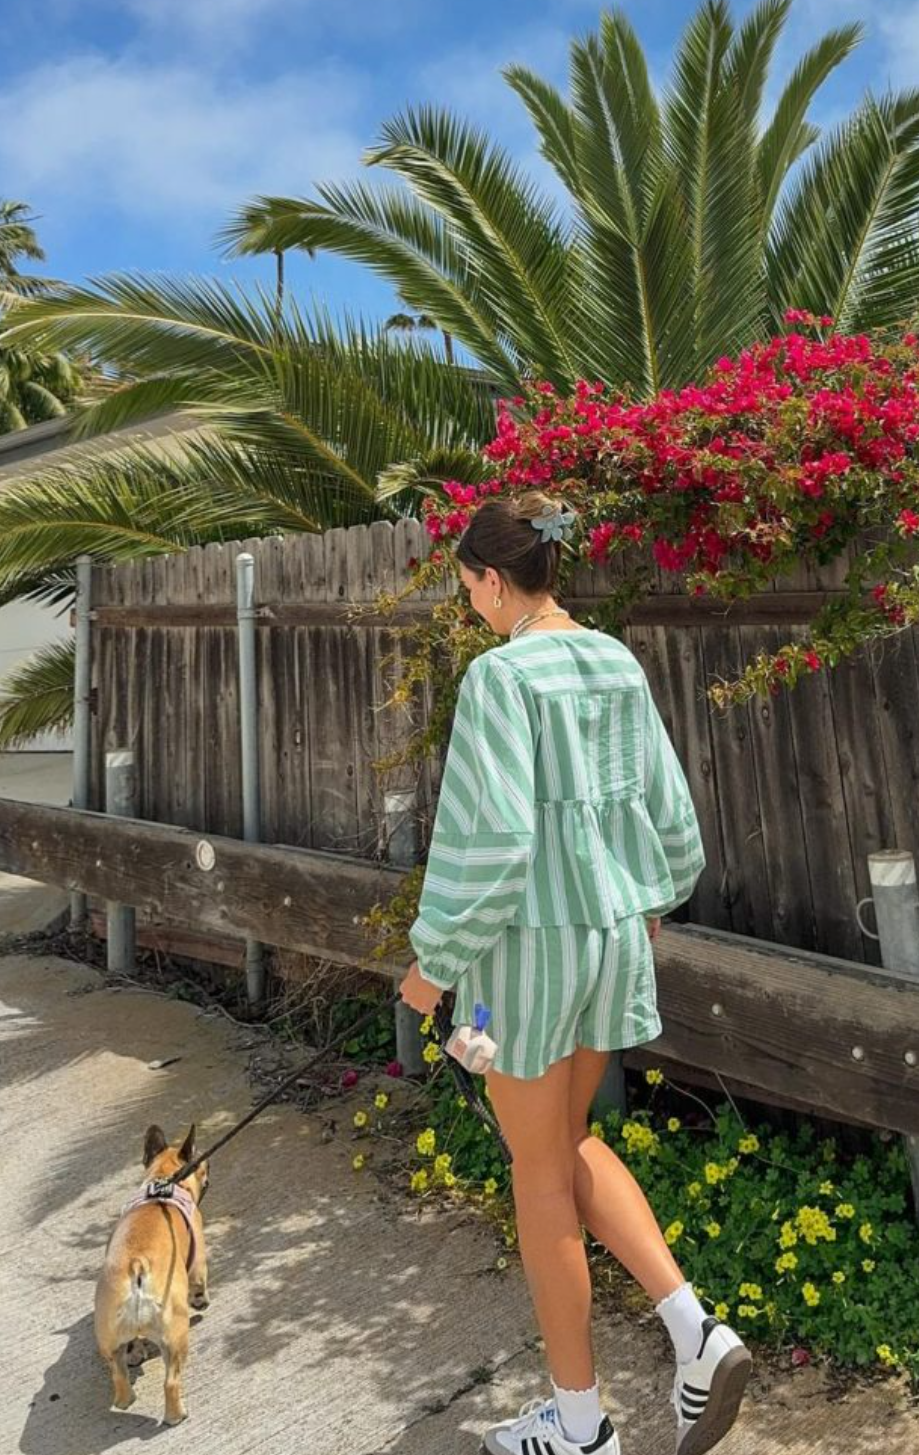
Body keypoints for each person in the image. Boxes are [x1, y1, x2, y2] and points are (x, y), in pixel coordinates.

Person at [400, 492, 750, 1455]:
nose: (469, 602)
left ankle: (579, 1421)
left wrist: (433, 966)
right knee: (562, 1143)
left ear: (492, 580)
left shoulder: (500, 679)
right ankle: (696, 1334)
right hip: (611, 936)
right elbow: (671, 816)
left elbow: (494, 839)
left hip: (528, 951)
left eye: (466, 585)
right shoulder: (615, 660)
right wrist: (644, 894)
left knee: (538, 1180)